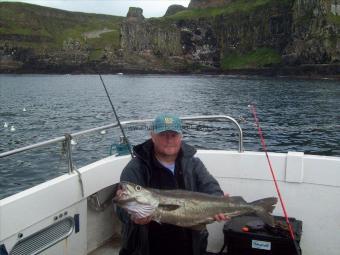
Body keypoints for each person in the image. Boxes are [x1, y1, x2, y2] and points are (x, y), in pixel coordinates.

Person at [116, 113, 228, 255]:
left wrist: (218, 201)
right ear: (153, 136)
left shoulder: (193, 163)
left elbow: (211, 187)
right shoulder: (136, 168)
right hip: (147, 246)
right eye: (163, 135)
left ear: (181, 137)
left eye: (173, 135)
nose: (169, 140)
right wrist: (134, 218)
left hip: (190, 244)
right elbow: (120, 208)